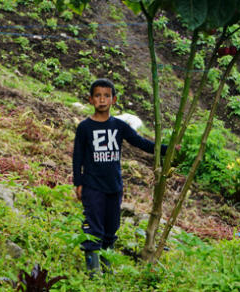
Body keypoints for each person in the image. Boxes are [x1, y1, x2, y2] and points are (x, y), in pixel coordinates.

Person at [72, 78, 169, 275]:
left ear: (113, 100)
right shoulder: (84, 127)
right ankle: (93, 274)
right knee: (93, 227)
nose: (102, 100)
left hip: (114, 186)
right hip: (92, 186)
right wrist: (78, 182)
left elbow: (141, 143)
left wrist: (168, 149)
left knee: (111, 228)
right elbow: (77, 157)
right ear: (90, 100)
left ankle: (107, 269)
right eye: (97, 96)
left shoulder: (119, 126)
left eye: (106, 96)